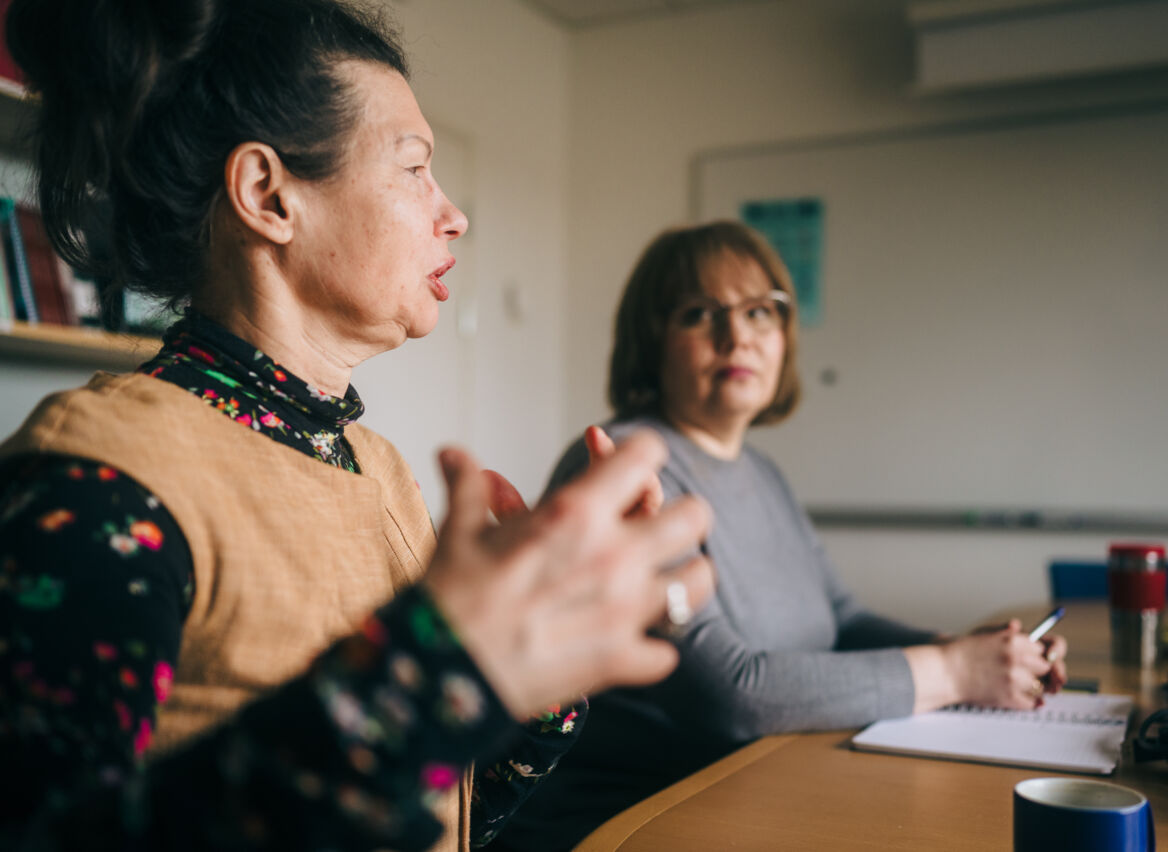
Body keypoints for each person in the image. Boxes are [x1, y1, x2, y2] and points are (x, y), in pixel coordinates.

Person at [0, 2, 713, 850]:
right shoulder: (98, 477)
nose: (455, 215)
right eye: (414, 169)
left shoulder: (377, 470)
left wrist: (553, 660)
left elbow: (424, 813)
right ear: (269, 195)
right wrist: (434, 672)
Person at [496, 220, 1070, 850]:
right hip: (631, 825)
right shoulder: (623, 465)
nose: (736, 335)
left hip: (754, 795)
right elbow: (737, 696)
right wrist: (956, 672)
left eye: (760, 312)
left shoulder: (762, 473)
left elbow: (842, 618)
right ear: (651, 342)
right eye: (698, 313)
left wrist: (971, 650)